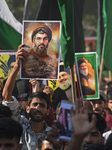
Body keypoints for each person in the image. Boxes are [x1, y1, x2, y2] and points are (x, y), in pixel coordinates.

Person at [2, 45, 51, 150]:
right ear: (27, 109)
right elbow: (6, 96)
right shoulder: (19, 125)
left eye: (42, 105)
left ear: (48, 111)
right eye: (34, 104)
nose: (37, 108)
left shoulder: (53, 135)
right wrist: (17, 66)